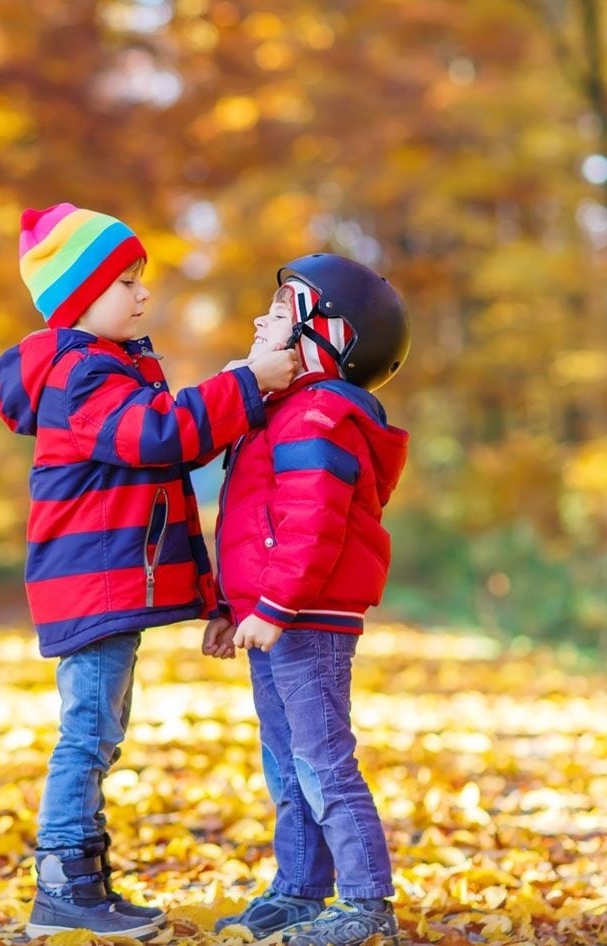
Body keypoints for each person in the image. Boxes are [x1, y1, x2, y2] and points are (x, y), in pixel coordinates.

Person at [0, 202, 299, 939]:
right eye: (125, 281)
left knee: (101, 728)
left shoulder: (108, 369)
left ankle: (85, 881)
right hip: (88, 588)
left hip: (98, 587)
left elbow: (170, 445)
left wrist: (237, 386)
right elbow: (159, 435)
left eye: (141, 279)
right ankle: (64, 882)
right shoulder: (81, 375)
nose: (143, 294)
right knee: (89, 730)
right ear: (78, 298)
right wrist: (247, 383)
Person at [202, 253, 411, 946]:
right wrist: (234, 607)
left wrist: (275, 606)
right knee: (287, 762)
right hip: (275, 617)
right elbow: (255, 524)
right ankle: (298, 889)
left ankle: (365, 899)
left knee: (322, 759)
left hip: (307, 618)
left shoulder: (321, 417)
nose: (263, 317)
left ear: (333, 336)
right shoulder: (281, 413)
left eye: (283, 305)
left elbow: (313, 527)